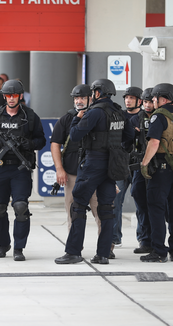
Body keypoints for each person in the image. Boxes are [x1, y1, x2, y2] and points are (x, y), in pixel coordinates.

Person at [55, 79, 134, 265]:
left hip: (93, 163)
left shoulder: (94, 112)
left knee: (78, 206)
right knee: (107, 209)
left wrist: (77, 117)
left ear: (97, 93)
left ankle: (73, 252)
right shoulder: (119, 113)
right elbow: (130, 137)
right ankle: (103, 254)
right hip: (112, 165)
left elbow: (74, 135)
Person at [0, 80, 46, 261]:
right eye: (8, 95)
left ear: (20, 96)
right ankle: (3, 244)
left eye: (14, 95)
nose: (11, 98)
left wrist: (27, 144)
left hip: (20, 169)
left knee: (21, 207)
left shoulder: (30, 117)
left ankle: (19, 247)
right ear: (4, 97)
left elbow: (41, 140)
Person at [140, 83, 173, 263]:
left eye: (154, 98)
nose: (153, 101)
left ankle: (159, 251)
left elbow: (154, 143)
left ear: (163, 99)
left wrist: (144, 163)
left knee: (156, 207)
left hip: (162, 168)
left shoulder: (159, 117)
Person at [50, 84, 100, 234]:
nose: (79, 101)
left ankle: (105, 248)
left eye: (82, 98)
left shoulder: (99, 116)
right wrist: (59, 169)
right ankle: (73, 248)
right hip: (71, 173)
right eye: (76, 98)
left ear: (91, 98)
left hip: (95, 174)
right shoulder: (66, 119)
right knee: (73, 213)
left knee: (101, 211)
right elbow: (55, 144)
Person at [112, 86, 143, 256]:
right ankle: (115, 238)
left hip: (138, 164)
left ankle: (142, 238)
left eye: (132, 98)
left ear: (139, 100)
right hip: (121, 164)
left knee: (141, 202)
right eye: (126, 98)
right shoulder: (119, 116)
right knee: (115, 200)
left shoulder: (145, 117)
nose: (128, 100)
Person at [128, 88, 155, 255]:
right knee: (140, 200)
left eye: (150, 101)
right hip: (139, 165)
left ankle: (170, 241)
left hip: (159, 166)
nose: (147, 105)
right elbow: (125, 143)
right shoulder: (135, 119)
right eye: (145, 102)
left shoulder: (162, 118)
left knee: (162, 205)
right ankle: (145, 240)